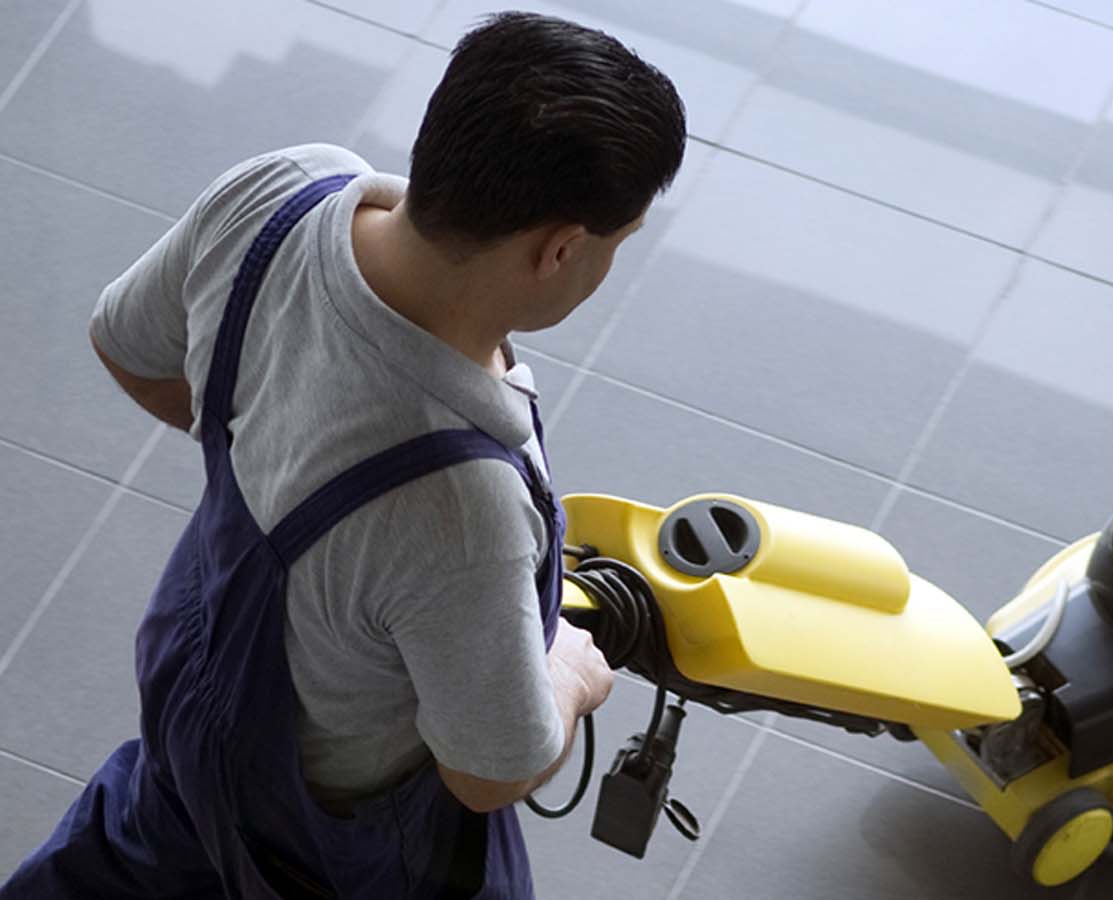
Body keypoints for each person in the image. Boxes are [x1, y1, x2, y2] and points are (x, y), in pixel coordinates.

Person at [1, 11, 685, 898]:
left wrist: (280, 455)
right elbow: (488, 772)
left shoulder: (282, 192)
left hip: (190, 692)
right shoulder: (463, 507)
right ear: (560, 249)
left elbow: (126, 345)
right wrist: (572, 675)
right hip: (333, 839)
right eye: (616, 245)